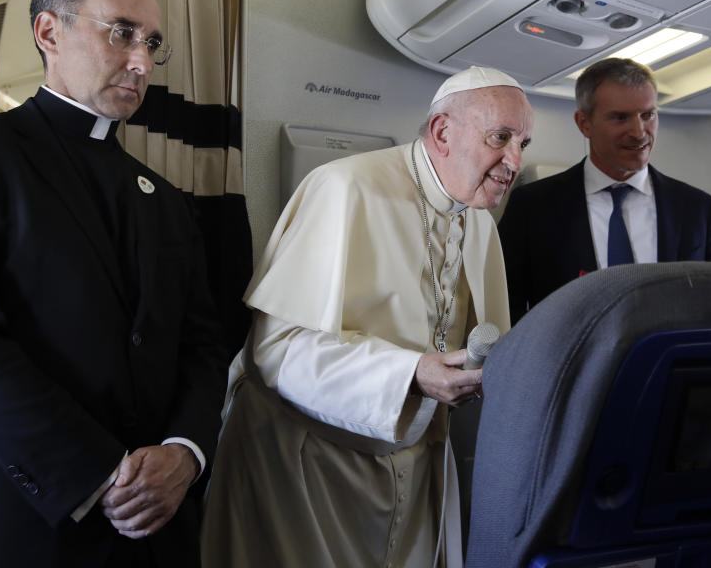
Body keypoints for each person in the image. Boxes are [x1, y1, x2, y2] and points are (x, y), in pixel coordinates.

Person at [201, 66, 533, 568]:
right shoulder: (345, 186)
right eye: (501, 137)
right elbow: (276, 352)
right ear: (443, 132)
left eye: (523, 143)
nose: (515, 161)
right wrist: (412, 374)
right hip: (304, 469)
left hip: (412, 464)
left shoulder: (479, 224)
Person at [0, 0, 228, 567]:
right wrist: (101, 472)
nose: (142, 61)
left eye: (152, 42)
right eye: (122, 32)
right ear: (49, 33)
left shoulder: (166, 200)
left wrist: (185, 453)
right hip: (31, 520)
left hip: (163, 530)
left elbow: (204, 345)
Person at [499, 57, 711, 323]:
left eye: (648, 115)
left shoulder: (699, 210)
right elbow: (506, 310)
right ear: (584, 123)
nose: (639, 132)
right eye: (620, 118)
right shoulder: (532, 207)